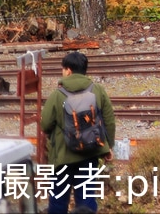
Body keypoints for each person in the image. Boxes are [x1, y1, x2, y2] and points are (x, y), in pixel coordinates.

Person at [40, 51, 115, 214]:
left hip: (62, 156)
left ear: (68, 70)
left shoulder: (57, 95)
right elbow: (109, 120)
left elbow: (45, 124)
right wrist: (109, 146)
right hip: (90, 153)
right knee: (86, 200)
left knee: (58, 200)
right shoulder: (98, 90)